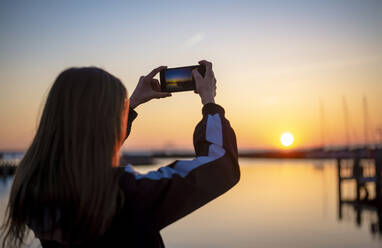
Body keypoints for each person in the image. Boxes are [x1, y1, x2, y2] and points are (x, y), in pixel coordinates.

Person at [1, 60, 240, 247]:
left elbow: (87, 142)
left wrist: (132, 103)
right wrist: (209, 101)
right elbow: (220, 165)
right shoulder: (123, 195)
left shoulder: (34, 189)